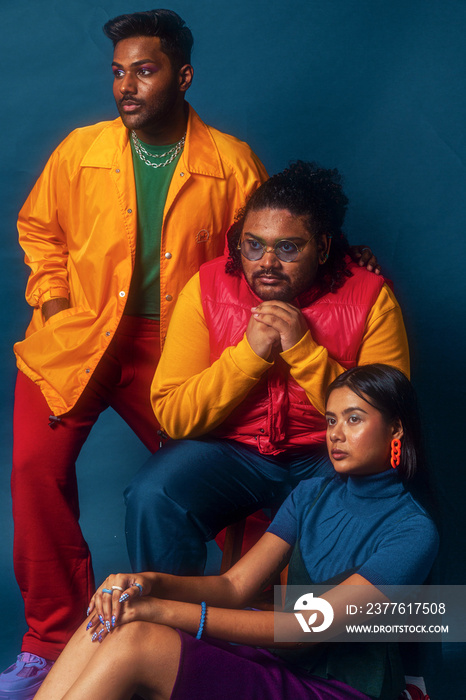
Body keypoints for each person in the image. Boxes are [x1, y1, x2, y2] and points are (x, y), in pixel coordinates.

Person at [2, 8, 272, 697]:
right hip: (81, 335)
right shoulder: (80, 149)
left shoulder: (231, 163)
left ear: (182, 76)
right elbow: (38, 227)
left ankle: (242, 633)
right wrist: (56, 299)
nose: (126, 85)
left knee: (223, 482)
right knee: (36, 471)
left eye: (144, 70)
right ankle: (50, 639)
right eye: (119, 72)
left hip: (177, 346)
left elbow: (266, 248)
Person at [33, 364, 439, 700]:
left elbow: (304, 629)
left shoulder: (413, 530)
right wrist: (147, 584)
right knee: (112, 615)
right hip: (280, 665)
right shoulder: (312, 494)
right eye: (331, 419)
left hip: (342, 691)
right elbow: (234, 586)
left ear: (396, 430)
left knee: (136, 637)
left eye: (354, 419)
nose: (335, 433)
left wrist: (160, 609)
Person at [124, 161, 410, 579]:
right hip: (234, 452)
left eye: (288, 248)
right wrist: (249, 355)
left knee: (355, 511)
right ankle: (168, 631)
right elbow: (174, 415)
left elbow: (385, 417)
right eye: (253, 245)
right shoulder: (206, 287)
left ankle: (309, 640)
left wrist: (304, 350)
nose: (267, 262)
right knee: (153, 494)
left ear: (324, 248)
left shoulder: (371, 298)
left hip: (326, 455)